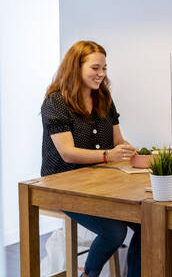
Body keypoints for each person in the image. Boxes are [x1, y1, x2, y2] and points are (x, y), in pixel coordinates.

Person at [41, 40, 140, 277]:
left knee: (148, 224)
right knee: (114, 232)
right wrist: (109, 156)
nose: (101, 74)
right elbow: (67, 152)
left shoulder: (103, 96)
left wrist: (129, 150)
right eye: (95, 68)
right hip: (62, 185)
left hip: (99, 183)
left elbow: (118, 141)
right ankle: (89, 274)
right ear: (76, 67)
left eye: (104, 68)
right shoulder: (56, 102)